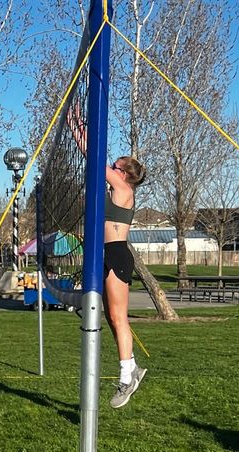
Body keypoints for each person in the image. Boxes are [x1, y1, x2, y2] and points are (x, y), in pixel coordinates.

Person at [70, 107, 149, 408]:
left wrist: (78, 124)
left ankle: (127, 377)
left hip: (116, 255)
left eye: (116, 167)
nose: (111, 169)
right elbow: (95, 160)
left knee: (118, 317)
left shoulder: (123, 188)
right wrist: (76, 125)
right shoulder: (116, 186)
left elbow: (94, 158)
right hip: (103, 254)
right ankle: (131, 368)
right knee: (110, 318)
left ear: (125, 174)